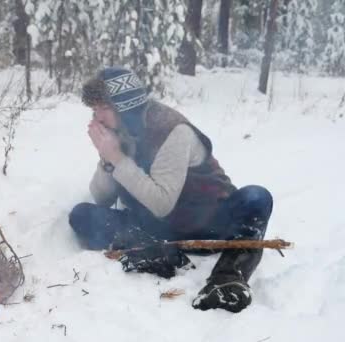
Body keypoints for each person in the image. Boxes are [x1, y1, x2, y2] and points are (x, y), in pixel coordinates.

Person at [69, 66, 273, 313]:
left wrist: (118, 158)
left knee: (257, 197)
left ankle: (227, 278)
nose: (97, 118)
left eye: (104, 108)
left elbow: (162, 203)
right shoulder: (121, 131)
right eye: (94, 110)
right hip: (160, 230)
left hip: (209, 221)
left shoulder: (171, 130)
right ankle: (158, 252)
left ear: (127, 107)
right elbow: (102, 198)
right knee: (82, 215)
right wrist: (107, 158)